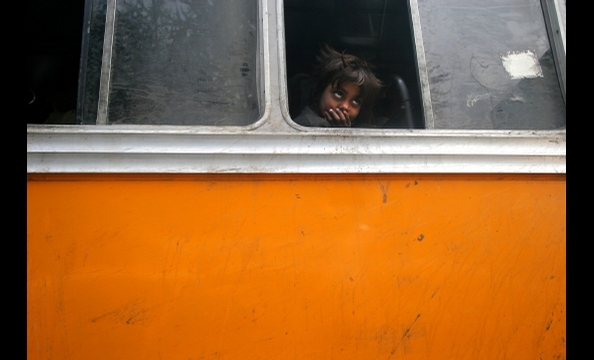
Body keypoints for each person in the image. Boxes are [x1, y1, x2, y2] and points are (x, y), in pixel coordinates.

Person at [294, 45, 382, 127]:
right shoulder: (308, 124)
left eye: (356, 101)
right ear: (319, 92)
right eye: (338, 94)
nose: (345, 106)